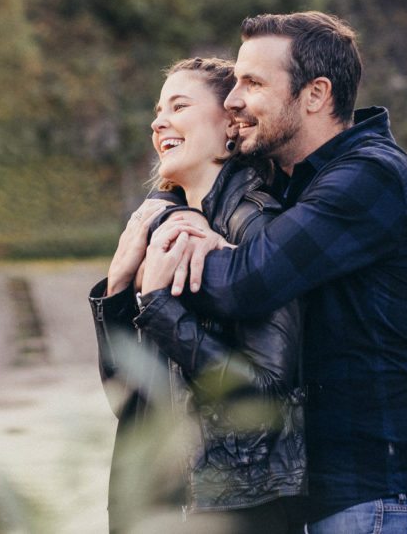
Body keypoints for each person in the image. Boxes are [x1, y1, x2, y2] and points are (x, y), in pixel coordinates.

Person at [141, 12, 407, 534]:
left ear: (315, 95)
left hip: (377, 494)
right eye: (235, 80)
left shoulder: (368, 176)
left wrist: (163, 264)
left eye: (253, 82)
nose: (233, 99)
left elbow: (247, 282)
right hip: (323, 498)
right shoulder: (291, 183)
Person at [88, 57, 307, 534]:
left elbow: (267, 395)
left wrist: (160, 307)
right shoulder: (157, 229)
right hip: (161, 504)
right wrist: (119, 285)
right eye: (157, 110)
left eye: (179, 105)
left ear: (231, 123)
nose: (158, 121)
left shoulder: (259, 226)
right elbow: (129, 400)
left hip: (237, 508)